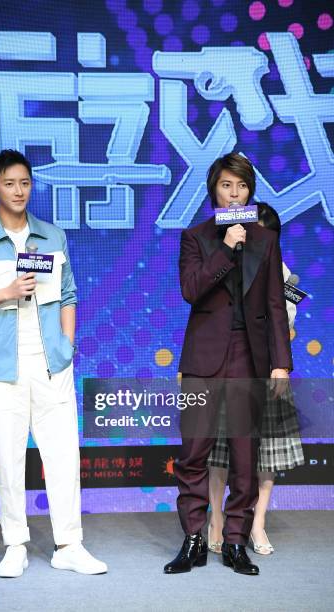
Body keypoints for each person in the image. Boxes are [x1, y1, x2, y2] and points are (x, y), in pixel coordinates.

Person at [0, 149, 107, 578]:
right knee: (8, 458)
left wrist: (67, 345)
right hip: (2, 369)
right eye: (9, 183)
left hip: (52, 364)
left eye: (25, 182)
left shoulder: (52, 236)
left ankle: (68, 544)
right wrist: (6, 291)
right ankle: (15, 544)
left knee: (63, 457)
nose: (18, 191)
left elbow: (69, 294)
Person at [164, 153, 292, 576]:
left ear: (250, 191)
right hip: (203, 359)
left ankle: (236, 541)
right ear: (213, 190)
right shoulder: (196, 237)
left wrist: (281, 364)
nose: (234, 193)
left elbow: (275, 304)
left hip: (248, 358)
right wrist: (225, 247)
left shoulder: (265, 240)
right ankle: (195, 539)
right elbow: (191, 290)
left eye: (241, 187)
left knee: (244, 456)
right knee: (193, 454)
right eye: (226, 186)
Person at [207, 203, 304, 556]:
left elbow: (286, 325)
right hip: (229, 369)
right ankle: (216, 519)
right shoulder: (222, 262)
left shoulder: (284, 275)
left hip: (267, 372)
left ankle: (257, 522)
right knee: (219, 453)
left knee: (265, 458)